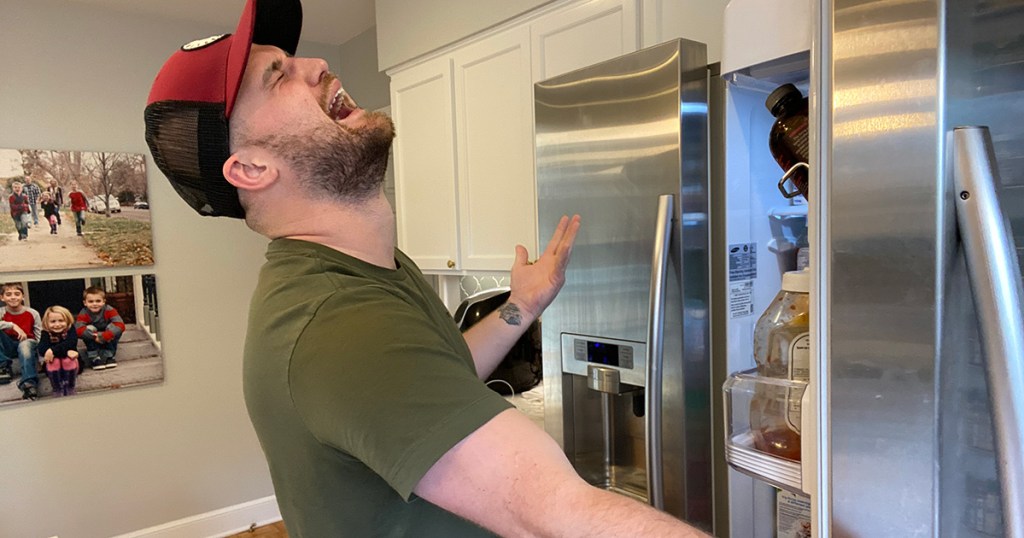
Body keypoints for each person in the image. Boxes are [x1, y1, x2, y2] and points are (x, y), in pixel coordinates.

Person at [144, 1, 708, 537]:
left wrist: (521, 308)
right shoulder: (340, 326)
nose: (317, 65)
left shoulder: (367, 269)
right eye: (277, 76)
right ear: (250, 167)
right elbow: (556, 513)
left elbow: (442, 369)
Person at [0, 282, 42, 400]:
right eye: (8, 294)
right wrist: (12, 325)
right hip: (8, 346)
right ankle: (3, 367)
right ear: (2, 297)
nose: (13, 297)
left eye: (17, 294)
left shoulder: (32, 313)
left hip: (27, 345)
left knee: (25, 344)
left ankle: (29, 383)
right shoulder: (1, 312)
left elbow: (39, 337)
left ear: (23, 296)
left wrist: (40, 357)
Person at [74, 286, 125, 371]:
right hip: (93, 336)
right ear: (85, 303)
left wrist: (103, 336)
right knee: (88, 328)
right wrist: (95, 336)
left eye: (98, 301)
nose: (94, 304)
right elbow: (78, 329)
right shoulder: (84, 313)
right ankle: (94, 358)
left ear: (104, 302)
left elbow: (120, 325)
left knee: (113, 327)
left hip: (107, 335)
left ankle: (109, 356)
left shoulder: (109, 310)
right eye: (91, 301)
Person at [38, 306, 79, 397]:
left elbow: (71, 343)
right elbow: (41, 349)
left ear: (68, 321)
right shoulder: (45, 333)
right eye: (53, 321)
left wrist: (52, 350)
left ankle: (70, 387)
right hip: (53, 366)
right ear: (46, 323)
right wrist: (62, 351)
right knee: (54, 361)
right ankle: (57, 388)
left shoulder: (70, 330)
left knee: (67, 360)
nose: (57, 324)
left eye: (61, 321)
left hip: (70, 364)